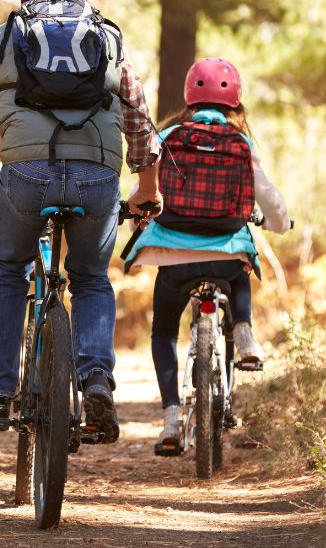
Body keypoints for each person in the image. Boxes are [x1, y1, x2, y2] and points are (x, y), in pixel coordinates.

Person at [0, 0, 161, 444]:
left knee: (9, 270)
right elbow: (139, 116)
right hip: (98, 176)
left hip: (26, 175)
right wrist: (148, 186)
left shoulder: (4, 38)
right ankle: (96, 377)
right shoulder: (109, 37)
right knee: (92, 278)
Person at [123, 58, 290, 451]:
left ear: (189, 98)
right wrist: (280, 224)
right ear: (235, 102)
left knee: (164, 331)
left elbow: (144, 192)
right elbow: (271, 200)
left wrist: (136, 223)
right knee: (240, 268)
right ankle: (244, 332)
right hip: (225, 251)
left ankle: (169, 420)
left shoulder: (168, 137)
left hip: (174, 253)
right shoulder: (242, 144)